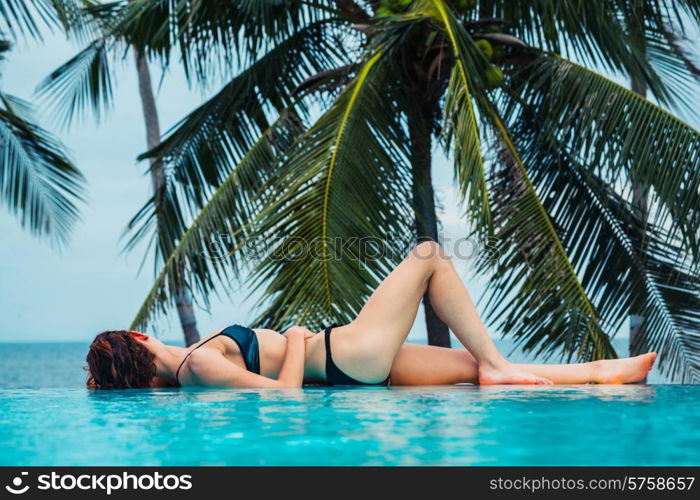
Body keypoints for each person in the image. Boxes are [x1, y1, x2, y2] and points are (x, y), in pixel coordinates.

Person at [86, 242, 656, 389]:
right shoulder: (193, 365)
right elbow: (280, 399)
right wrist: (298, 340)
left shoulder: (181, 374)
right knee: (430, 256)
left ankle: (605, 372)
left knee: (470, 372)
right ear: (137, 335)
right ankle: (502, 363)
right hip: (343, 352)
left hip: (352, 364)